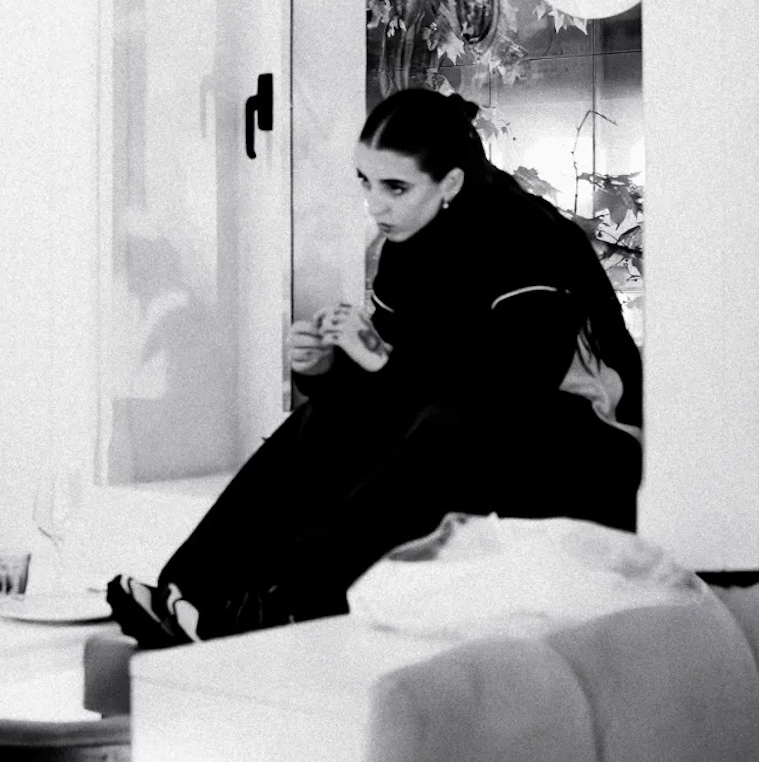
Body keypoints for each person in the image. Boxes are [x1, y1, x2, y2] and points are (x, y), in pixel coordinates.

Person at [107, 88, 643, 648]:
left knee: (447, 426)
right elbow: (390, 390)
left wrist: (382, 360)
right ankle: (188, 591)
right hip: (477, 427)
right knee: (330, 417)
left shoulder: (525, 236)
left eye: (395, 187)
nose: (375, 205)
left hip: (588, 444)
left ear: (450, 183)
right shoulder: (407, 241)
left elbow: (515, 383)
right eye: (365, 182)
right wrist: (322, 370)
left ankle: (288, 603)